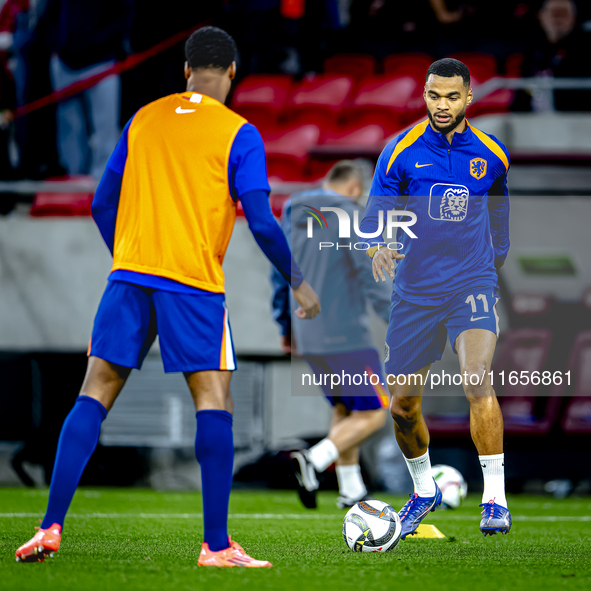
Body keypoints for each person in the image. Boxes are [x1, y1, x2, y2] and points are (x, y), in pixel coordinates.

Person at [15, 26, 320, 567]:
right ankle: (217, 546)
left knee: (93, 394)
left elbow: (101, 203)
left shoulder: (143, 118)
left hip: (129, 277)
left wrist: (128, 255)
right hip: (192, 284)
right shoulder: (239, 133)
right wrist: (297, 279)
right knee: (213, 400)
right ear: (232, 71)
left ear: (184, 69)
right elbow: (263, 222)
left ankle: (48, 527)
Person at [360, 58, 511, 538]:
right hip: (416, 292)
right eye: (433, 95)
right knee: (402, 405)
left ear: (469, 98)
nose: (441, 105)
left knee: (475, 377)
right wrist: (378, 242)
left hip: (471, 283)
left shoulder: (493, 155)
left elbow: (500, 209)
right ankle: (424, 490)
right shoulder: (400, 151)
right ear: (424, 95)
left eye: (451, 96)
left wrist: (493, 261)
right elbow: (376, 212)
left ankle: (494, 500)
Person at [271, 160, 390, 510]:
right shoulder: (351, 216)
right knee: (374, 413)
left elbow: (279, 274)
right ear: (355, 187)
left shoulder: (294, 211)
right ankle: (316, 459)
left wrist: (285, 325)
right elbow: (371, 272)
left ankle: (351, 489)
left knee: (346, 406)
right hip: (347, 335)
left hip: (308, 335)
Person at [513, 0, 591, 112]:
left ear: (573, 18)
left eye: (563, 12)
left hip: (576, 120)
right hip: (534, 122)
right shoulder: (532, 49)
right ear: (542, 16)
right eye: (553, 12)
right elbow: (522, 90)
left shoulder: (586, 48)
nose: (557, 17)